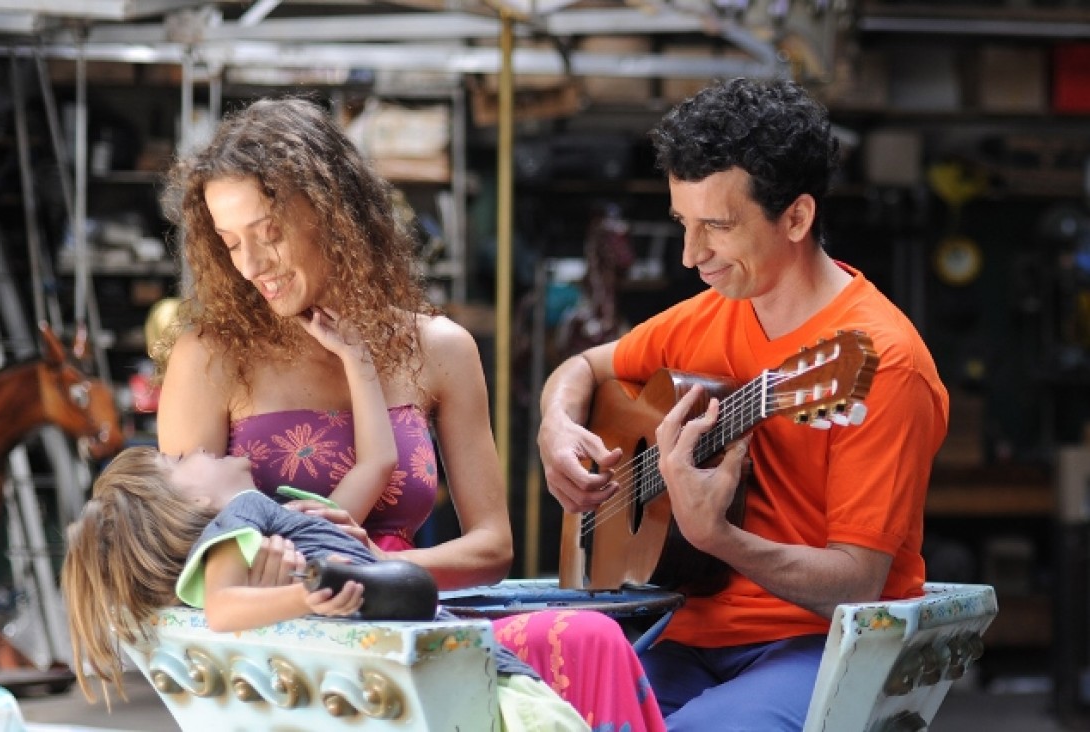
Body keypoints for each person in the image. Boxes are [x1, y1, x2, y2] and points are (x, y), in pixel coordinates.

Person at [151, 96, 664, 731]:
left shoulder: (440, 349)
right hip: (282, 656)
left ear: (332, 213)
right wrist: (325, 585)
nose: (251, 265)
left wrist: (382, 573)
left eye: (269, 232)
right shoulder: (210, 356)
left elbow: (492, 546)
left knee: (593, 639)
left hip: (417, 618)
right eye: (230, 243)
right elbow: (176, 557)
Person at [536, 77, 950, 731]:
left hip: (813, 644)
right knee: (534, 711)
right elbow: (582, 367)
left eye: (717, 228)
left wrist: (715, 536)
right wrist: (557, 427)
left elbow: (855, 584)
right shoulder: (703, 319)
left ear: (796, 217)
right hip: (676, 628)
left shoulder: (884, 364)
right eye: (683, 223)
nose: (690, 255)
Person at [60, 445, 589, 732]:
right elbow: (222, 608)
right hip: (464, 670)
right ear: (191, 506)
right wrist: (301, 598)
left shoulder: (268, 521)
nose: (194, 447)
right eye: (176, 462)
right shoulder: (241, 516)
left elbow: (377, 463)